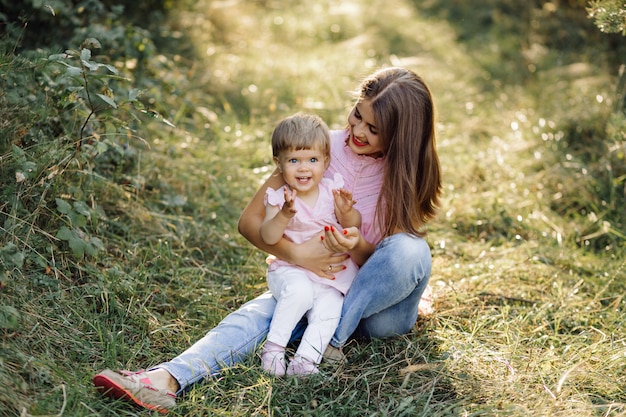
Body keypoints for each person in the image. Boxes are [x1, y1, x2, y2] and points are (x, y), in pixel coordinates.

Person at [93, 66, 442, 414]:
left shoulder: (402, 179)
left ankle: (332, 340)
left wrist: (356, 245)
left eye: (373, 128)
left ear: (399, 136)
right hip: (314, 282)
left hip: (375, 313)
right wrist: (298, 255)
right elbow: (249, 222)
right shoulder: (319, 148)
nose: (357, 129)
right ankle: (165, 379)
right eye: (357, 115)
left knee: (411, 250)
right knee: (261, 313)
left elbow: (384, 265)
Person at [258, 112, 361, 377]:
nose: (304, 168)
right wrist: (283, 216)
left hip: (327, 277)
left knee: (330, 308)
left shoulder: (331, 191)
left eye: (312, 160)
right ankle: (273, 349)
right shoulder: (279, 197)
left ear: (325, 161)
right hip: (290, 270)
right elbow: (268, 236)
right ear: (278, 164)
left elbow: (353, 224)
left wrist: (347, 211)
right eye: (294, 160)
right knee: (300, 292)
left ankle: (305, 360)